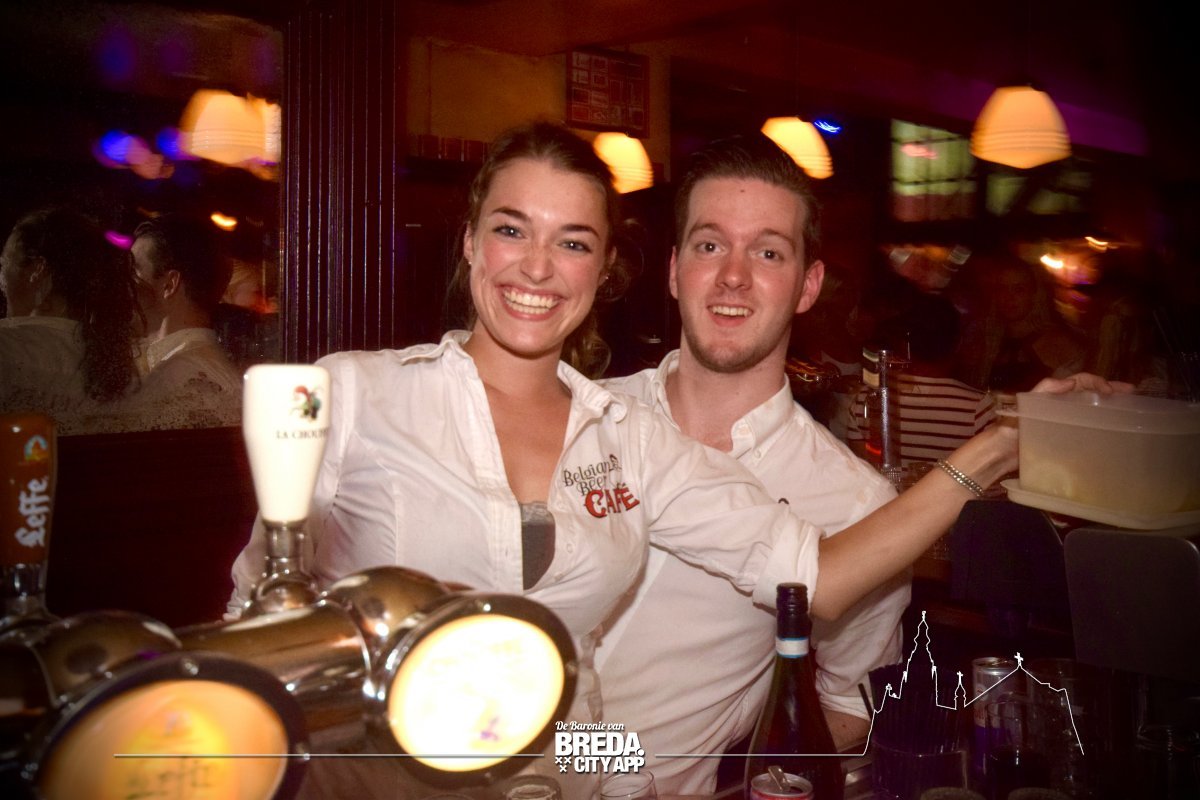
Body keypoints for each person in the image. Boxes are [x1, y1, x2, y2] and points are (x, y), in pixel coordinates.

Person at [226, 122, 1122, 798]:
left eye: (572, 241)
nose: (732, 277)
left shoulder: (648, 446)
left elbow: (825, 640)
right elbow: (255, 620)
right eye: (510, 229)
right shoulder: (376, 393)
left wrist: (998, 445)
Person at [594, 133, 906, 795]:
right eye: (710, 246)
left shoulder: (856, 506)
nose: (733, 275)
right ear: (675, 270)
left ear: (808, 285)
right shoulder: (578, 417)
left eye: (768, 252)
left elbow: (849, 703)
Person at [0, 207, 142, 434]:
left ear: (37, 270)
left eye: (4, 264)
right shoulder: (123, 369)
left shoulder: (7, 347)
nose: (2, 280)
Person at [845, 290, 996, 469]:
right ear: (958, 343)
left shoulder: (866, 399)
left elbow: (862, 472)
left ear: (905, 345)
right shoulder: (980, 408)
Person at [131, 213, 242, 428]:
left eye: (134, 272)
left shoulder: (175, 379)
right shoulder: (208, 364)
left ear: (170, 284)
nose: (127, 285)